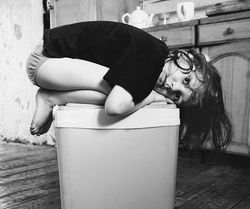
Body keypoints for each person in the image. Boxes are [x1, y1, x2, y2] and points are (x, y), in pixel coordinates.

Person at [26, 21, 231, 150]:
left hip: (53, 67)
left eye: (177, 96)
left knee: (124, 91)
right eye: (186, 80)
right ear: (186, 57)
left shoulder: (154, 64)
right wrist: (152, 98)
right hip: (45, 62)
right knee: (124, 95)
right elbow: (114, 108)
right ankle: (49, 97)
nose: (170, 86)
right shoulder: (152, 56)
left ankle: (54, 97)